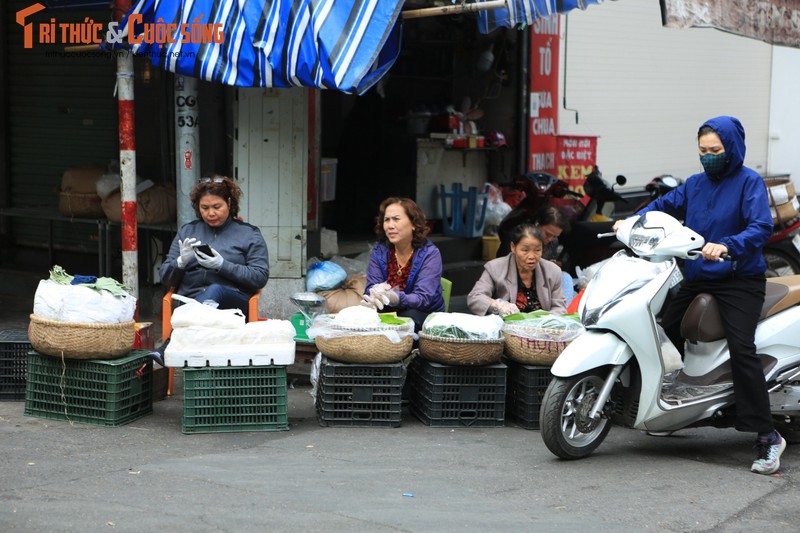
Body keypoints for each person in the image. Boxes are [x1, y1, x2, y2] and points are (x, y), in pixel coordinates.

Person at [613, 116, 785, 475]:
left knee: (742, 349)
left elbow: (760, 227)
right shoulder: (695, 185)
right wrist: (631, 222)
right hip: (697, 276)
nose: (708, 157)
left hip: (739, 279)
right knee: (660, 329)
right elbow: (663, 206)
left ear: (732, 148)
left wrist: (727, 245)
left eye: (715, 150)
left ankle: (767, 436)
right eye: (703, 151)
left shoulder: (749, 183)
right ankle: (670, 409)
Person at [160, 175, 269, 317]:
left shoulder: (249, 234)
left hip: (232, 303)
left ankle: (185, 328)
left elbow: (259, 277)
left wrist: (222, 265)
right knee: (204, 299)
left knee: (215, 290)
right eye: (204, 208)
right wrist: (180, 263)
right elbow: (165, 278)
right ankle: (192, 323)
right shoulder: (187, 231)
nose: (210, 213)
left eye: (217, 207)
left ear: (229, 203)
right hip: (190, 300)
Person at [362, 197, 445, 330]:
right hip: (388, 312)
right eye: (386, 220)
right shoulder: (379, 251)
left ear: (413, 224)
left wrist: (396, 297)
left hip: (422, 313)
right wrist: (375, 292)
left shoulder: (430, 253)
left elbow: (423, 299)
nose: (390, 225)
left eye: (396, 219)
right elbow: (371, 287)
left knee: (408, 321)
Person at [468, 224, 566, 316]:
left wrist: (545, 321)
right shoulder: (495, 268)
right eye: (525, 250)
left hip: (542, 330)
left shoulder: (553, 271)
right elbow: (475, 297)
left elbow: (559, 307)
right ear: (513, 247)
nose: (531, 256)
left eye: (537, 250)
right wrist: (498, 305)